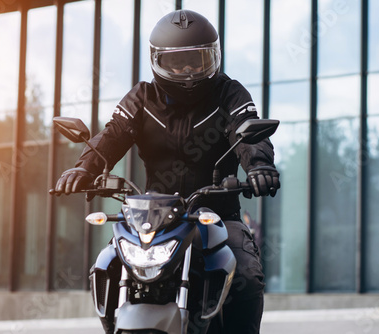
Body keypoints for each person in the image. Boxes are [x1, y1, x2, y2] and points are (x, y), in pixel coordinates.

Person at [54, 9, 280, 334]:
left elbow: (248, 137)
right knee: (108, 262)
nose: (188, 72)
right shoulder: (142, 98)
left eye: (198, 61)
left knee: (245, 272)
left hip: (217, 213)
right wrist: (83, 168)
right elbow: (113, 135)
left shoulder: (228, 93)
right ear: (158, 61)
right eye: (177, 62)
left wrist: (259, 166)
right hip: (155, 217)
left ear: (213, 57)